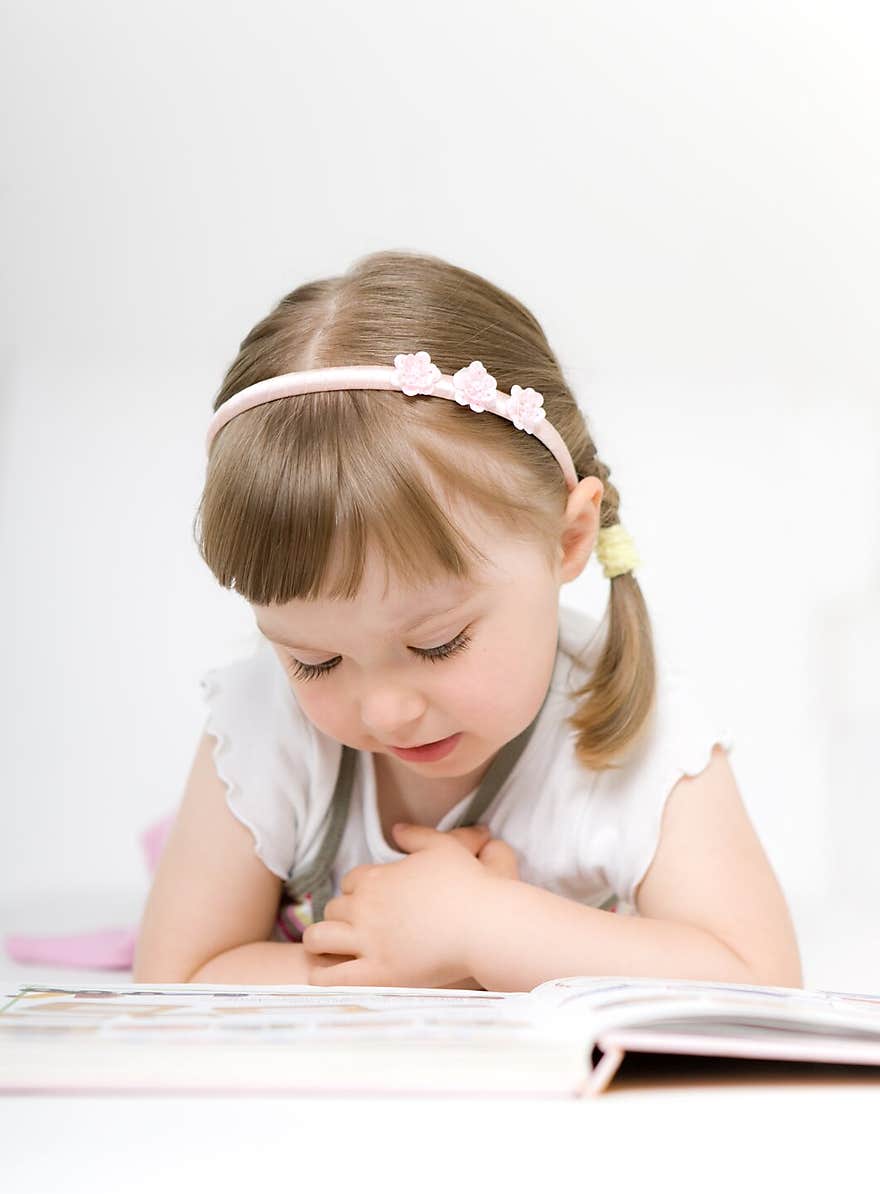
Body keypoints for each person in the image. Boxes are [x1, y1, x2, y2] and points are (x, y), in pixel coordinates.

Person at [132, 249, 802, 992]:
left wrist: (486, 929)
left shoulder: (642, 734)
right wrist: (414, 963)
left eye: (437, 643)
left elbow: (761, 980)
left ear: (568, 538)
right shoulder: (267, 721)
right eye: (314, 661)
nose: (386, 708)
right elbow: (178, 972)